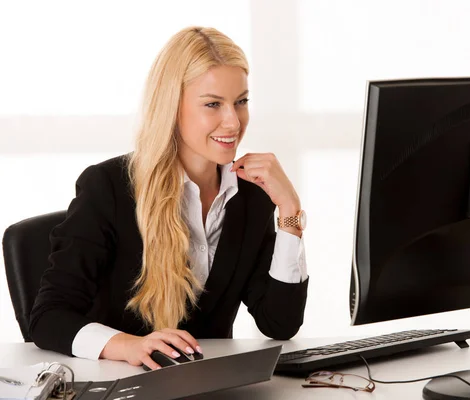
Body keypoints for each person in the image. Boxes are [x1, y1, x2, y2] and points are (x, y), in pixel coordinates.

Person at [29, 26, 309, 371]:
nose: (233, 121)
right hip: (120, 382)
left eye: (241, 102)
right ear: (171, 107)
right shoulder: (109, 187)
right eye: (213, 104)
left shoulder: (250, 196)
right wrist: (129, 346)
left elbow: (279, 324)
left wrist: (290, 213)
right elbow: (48, 317)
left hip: (211, 388)